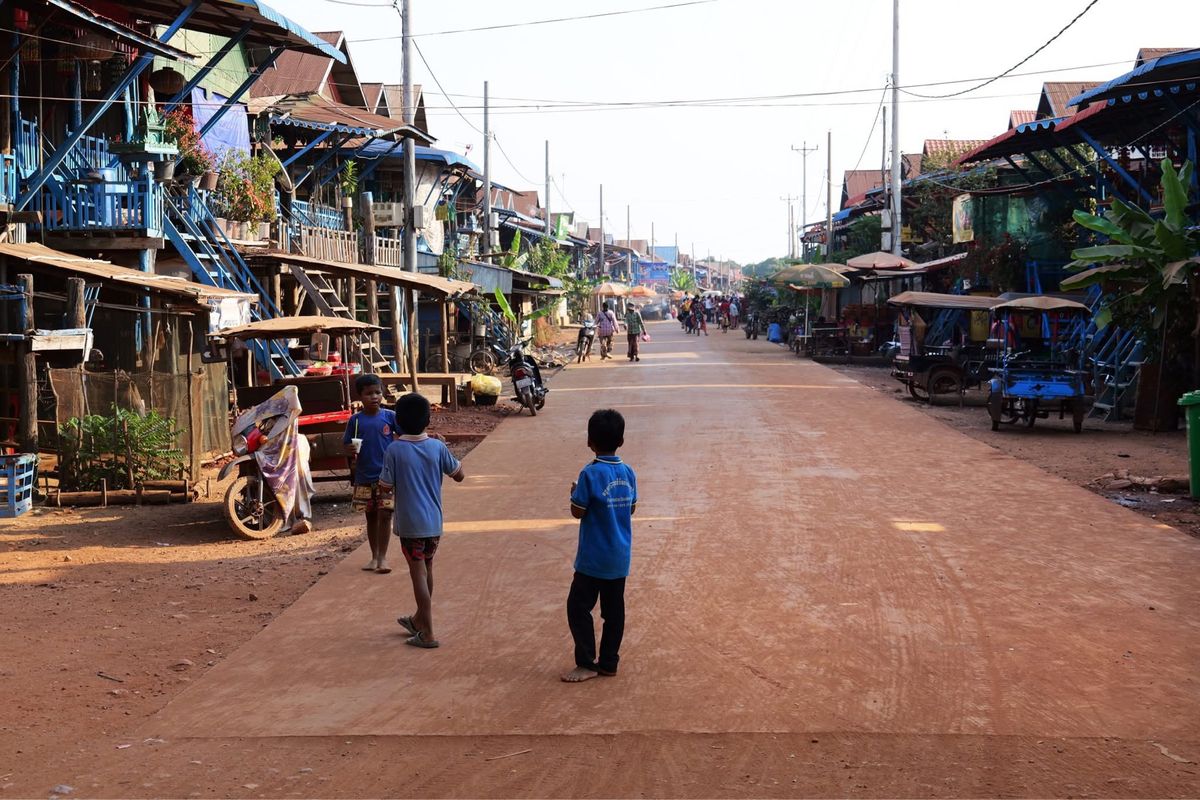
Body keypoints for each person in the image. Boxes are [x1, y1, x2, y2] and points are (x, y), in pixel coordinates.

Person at [380, 392, 465, 649]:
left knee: (417, 571)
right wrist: (444, 447)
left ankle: (427, 631)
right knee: (427, 566)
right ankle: (419, 619)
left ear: (398, 422)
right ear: (428, 420)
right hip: (433, 522)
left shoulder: (394, 450)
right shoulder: (437, 447)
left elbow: (385, 486)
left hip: (410, 523)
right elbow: (459, 474)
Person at [563, 409, 637, 682]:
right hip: (619, 558)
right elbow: (631, 508)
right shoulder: (628, 473)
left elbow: (578, 511)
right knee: (614, 612)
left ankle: (585, 662)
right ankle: (608, 662)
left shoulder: (590, 474)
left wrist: (574, 493)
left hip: (592, 560)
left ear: (589, 441)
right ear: (621, 441)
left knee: (578, 607)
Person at [343, 374, 398, 574]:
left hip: (386, 477)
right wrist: (349, 450)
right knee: (371, 516)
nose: (374, 397)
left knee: (386, 514)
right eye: (368, 393)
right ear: (360, 396)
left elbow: (402, 436)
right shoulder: (355, 421)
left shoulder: (390, 417)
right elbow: (346, 445)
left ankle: (383, 557)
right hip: (364, 476)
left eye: (377, 392)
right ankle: (374, 556)